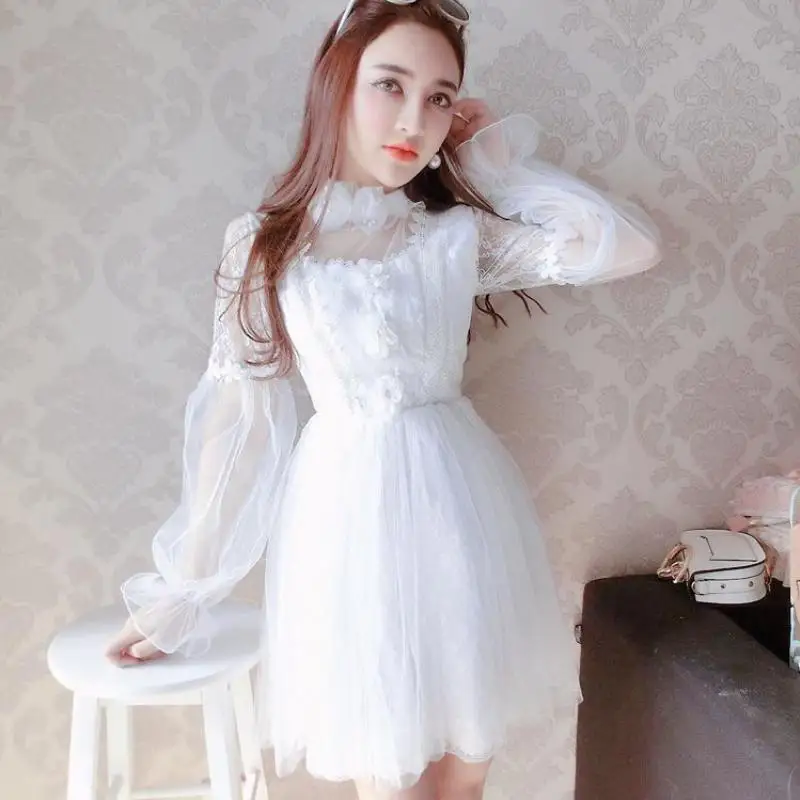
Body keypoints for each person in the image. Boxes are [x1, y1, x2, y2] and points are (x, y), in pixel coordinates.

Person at [105, 1, 663, 798]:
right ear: (336, 83)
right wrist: (180, 596)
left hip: (461, 516)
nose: (413, 121)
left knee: (462, 777)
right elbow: (239, 427)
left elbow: (628, 247)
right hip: (348, 527)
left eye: (439, 98)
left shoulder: (452, 235)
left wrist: (496, 164)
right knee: (389, 778)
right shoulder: (266, 244)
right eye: (390, 85)